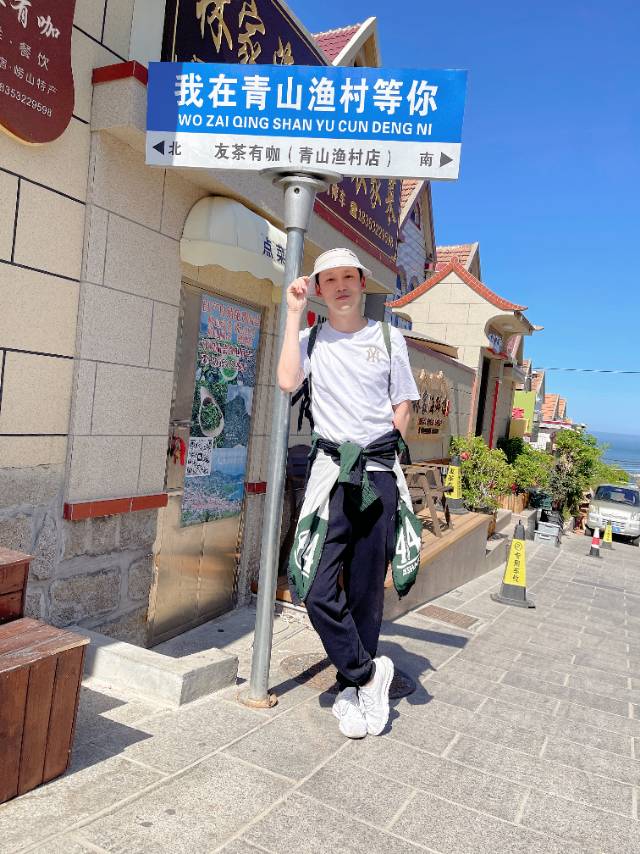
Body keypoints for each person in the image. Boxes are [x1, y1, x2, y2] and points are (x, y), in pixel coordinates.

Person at [277, 247, 421, 739]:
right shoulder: (311, 338)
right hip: (330, 474)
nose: (339, 286)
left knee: (365, 589)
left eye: (347, 277)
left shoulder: (388, 338)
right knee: (314, 584)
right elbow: (286, 380)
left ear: (362, 282)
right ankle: (369, 673)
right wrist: (293, 312)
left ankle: (351, 689)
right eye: (329, 279)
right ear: (319, 288)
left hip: (377, 473)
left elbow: (403, 402)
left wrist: (387, 450)